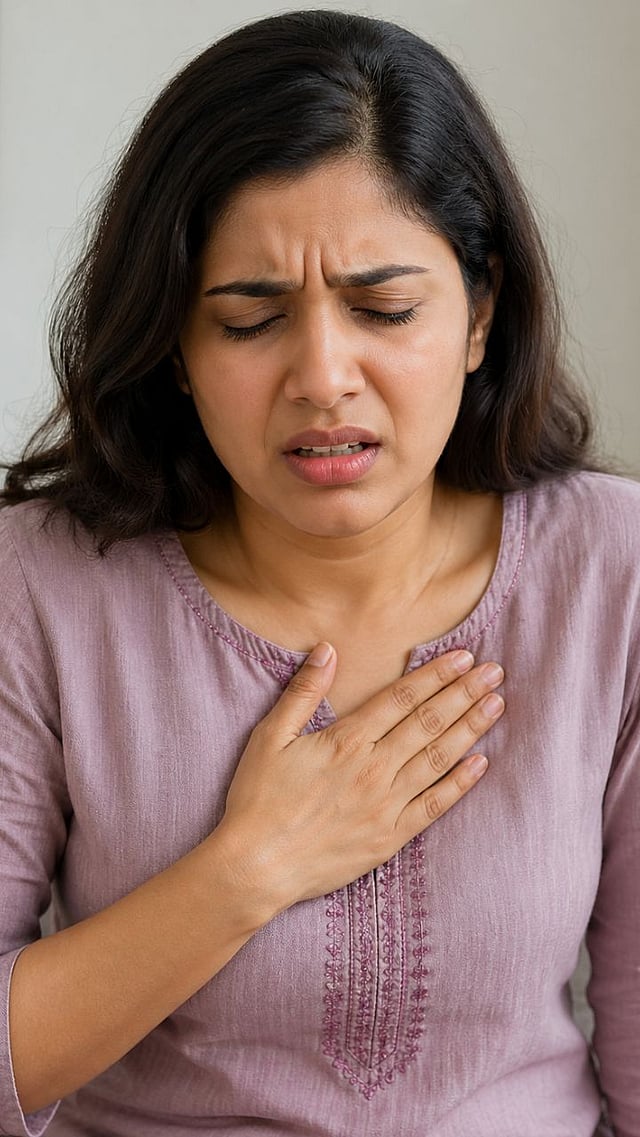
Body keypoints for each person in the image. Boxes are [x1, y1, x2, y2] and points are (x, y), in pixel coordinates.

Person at [0, 9, 637, 1136]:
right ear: (175, 346)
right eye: (251, 320)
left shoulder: (613, 575)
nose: (323, 376)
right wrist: (248, 870)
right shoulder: (40, 586)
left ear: (480, 313)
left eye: (384, 309)